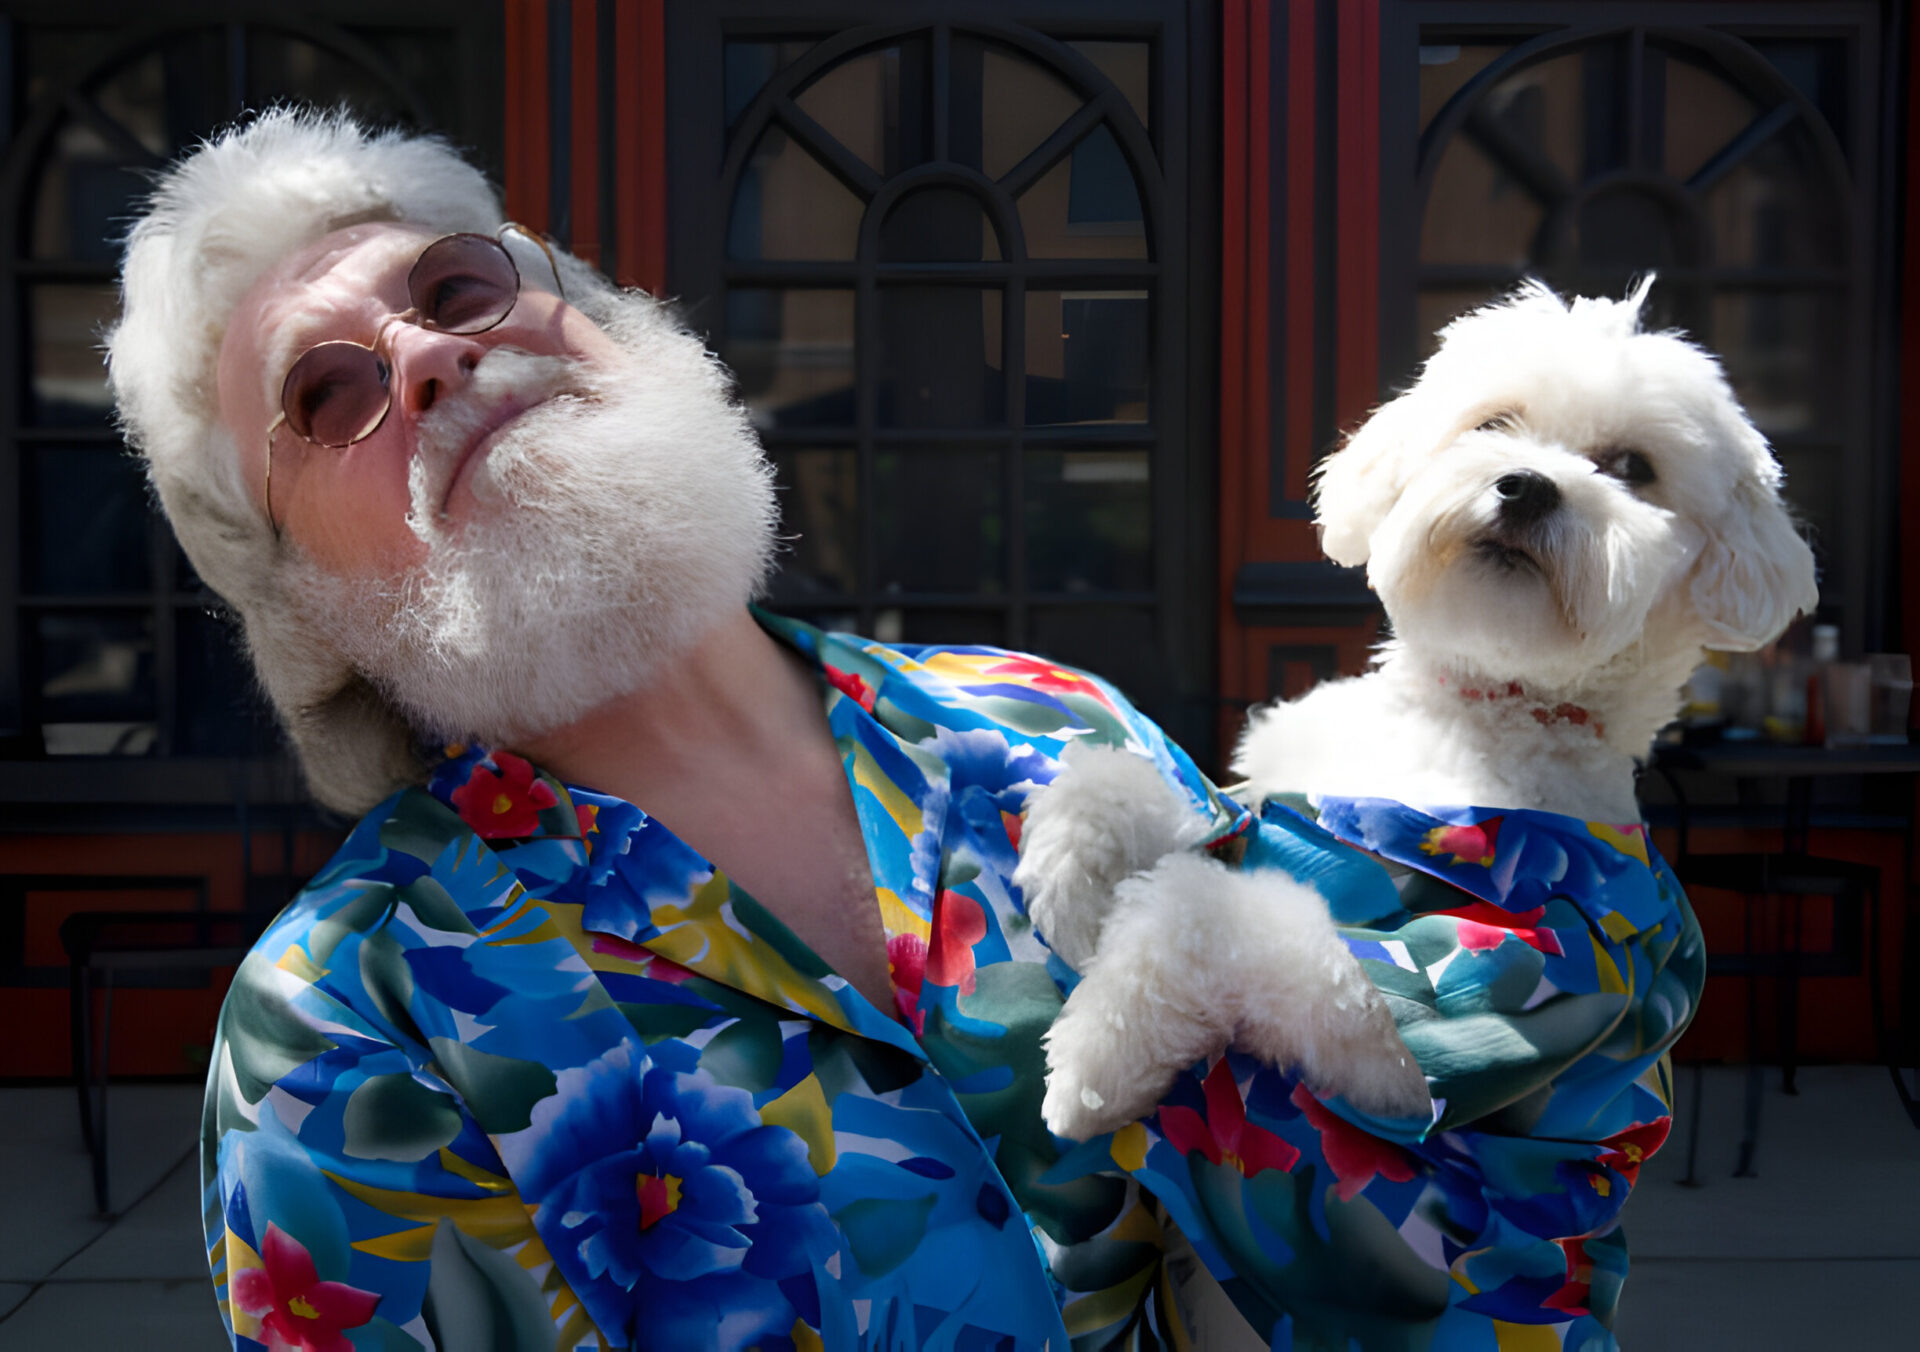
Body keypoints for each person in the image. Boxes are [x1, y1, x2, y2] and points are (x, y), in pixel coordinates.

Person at [110, 110, 1696, 1352]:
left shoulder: (1052, 732)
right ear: (302, 602)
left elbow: (1383, 1220)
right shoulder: (343, 1027)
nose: (432, 356)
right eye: (326, 396)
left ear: (607, 326)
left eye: (457, 286)